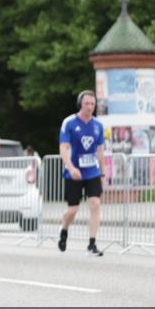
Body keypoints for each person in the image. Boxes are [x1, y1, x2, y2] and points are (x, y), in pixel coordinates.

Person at [58, 90, 106, 255]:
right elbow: (63, 148)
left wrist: (103, 171)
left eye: (93, 104)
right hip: (74, 172)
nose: (90, 107)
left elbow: (100, 150)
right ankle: (64, 230)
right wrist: (71, 168)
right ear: (80, 104)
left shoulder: (98, 125)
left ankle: (92, 244)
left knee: (95, 204)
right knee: (73, 210)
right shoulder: (69, 123)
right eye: (87, 103)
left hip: (92, 171)